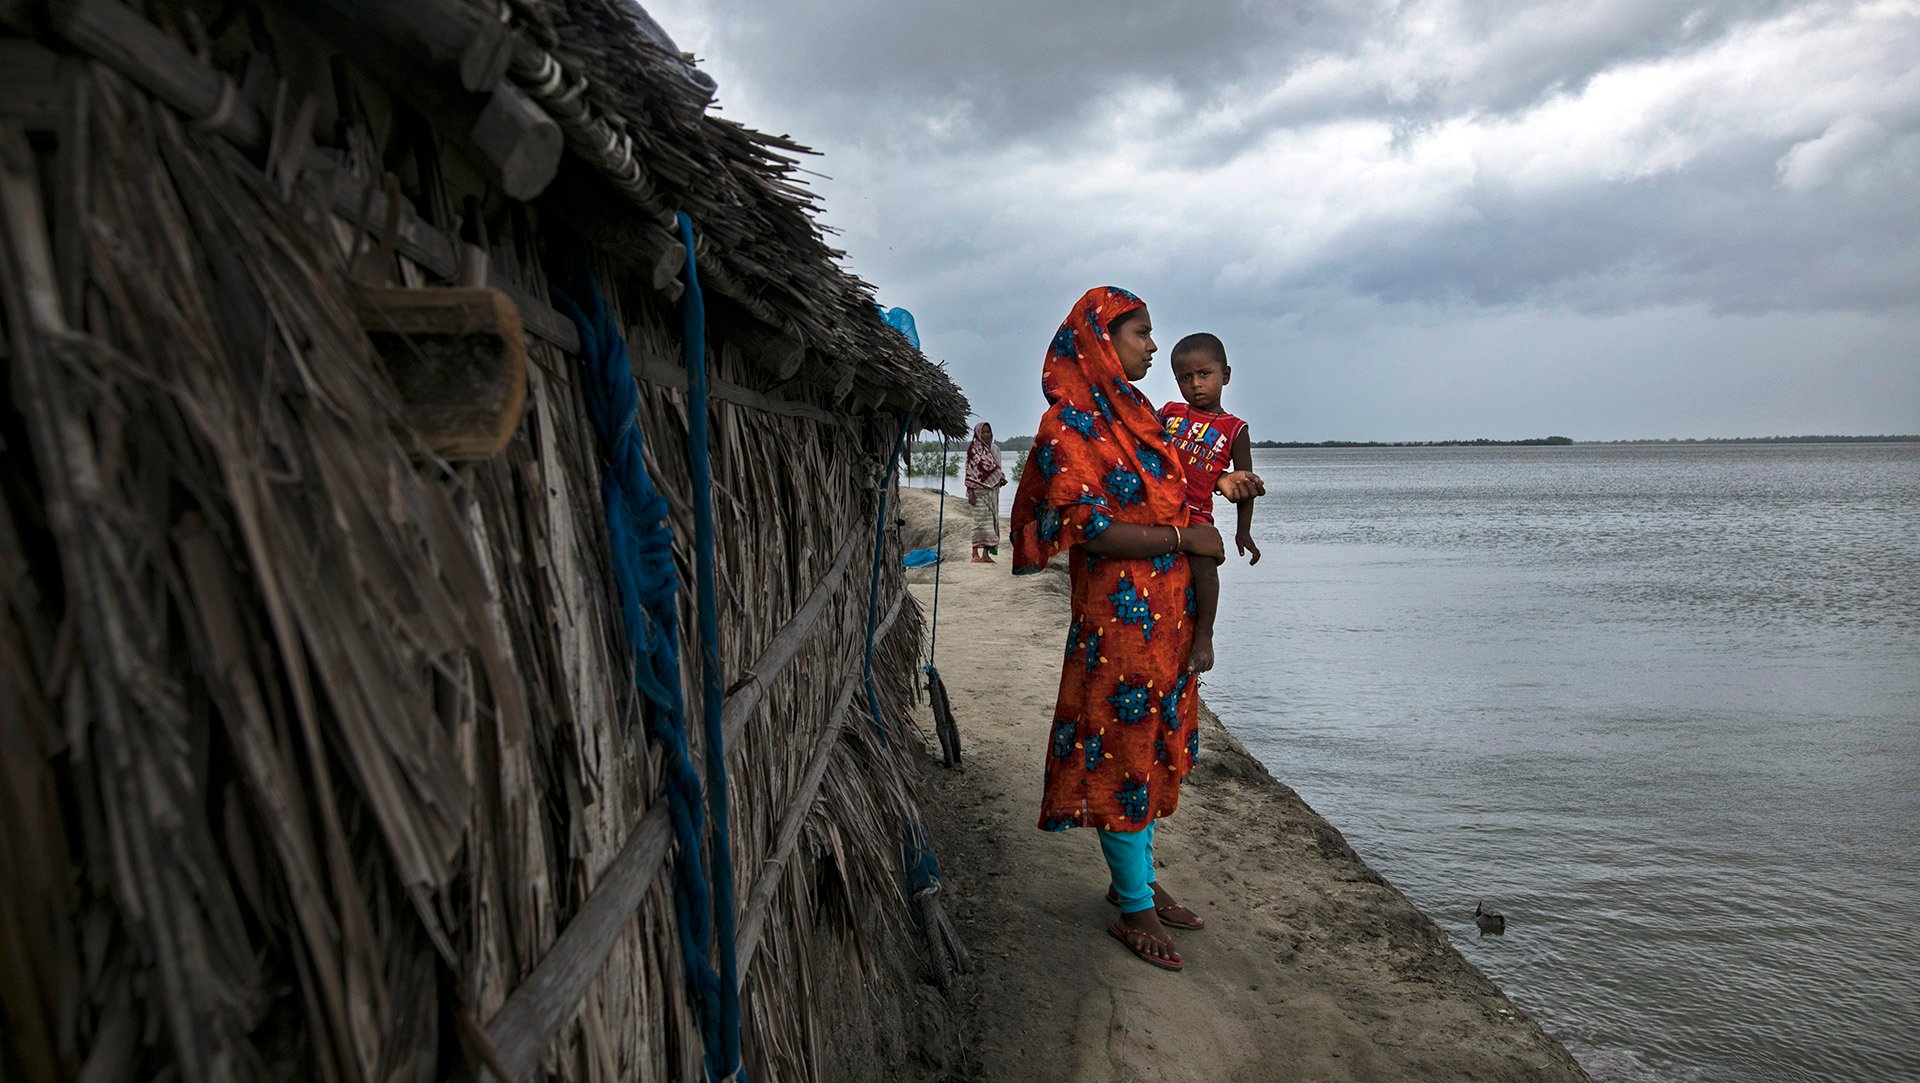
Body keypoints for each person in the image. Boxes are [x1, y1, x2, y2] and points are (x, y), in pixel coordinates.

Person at [1009, 286, 1261, 972]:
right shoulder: (1070, 426)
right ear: (1100, 340)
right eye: (1142, 333)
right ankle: (1133, 907)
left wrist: (1229, 495)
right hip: (1119, 624)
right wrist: (1187, 537)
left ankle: (1138, 882)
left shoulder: (1144, 417)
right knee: (1122, 752)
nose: (1154, 346)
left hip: (1166, 620)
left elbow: (1193, 482)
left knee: (1148, 750)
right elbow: (1087, 528)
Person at [1160, 332, 1261, 674]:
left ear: (1225, 376)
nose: (1196, 384)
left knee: (1205, 569)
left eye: (1204, 374)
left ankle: (1204, 636)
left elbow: (1245, 485)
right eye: (1185, 377)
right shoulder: (1169, 413)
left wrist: (1242, 533)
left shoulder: (1235, 429)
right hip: (1157, 508)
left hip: (1197, 514)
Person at [964, 421, 1008, 562]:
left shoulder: (995, 449)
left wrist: (1000, 478)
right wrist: (970, 491)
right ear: (977, 433)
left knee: (991, 523)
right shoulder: (973, 450)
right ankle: (974, 554)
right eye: (983, 432)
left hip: (992, 492)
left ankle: (986, 554)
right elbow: (969, 472)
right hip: (977, 493)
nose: (986, 435)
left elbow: (997, 469)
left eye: (988, 432)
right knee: (978, 523)